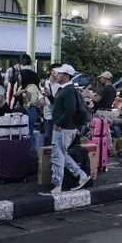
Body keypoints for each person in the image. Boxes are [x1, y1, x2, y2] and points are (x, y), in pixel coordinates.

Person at [39, 64, 90, 196]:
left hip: (63, 128)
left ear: (66, 76)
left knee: (57, 157)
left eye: (59, 73)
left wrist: (59, 123)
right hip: (64, 128)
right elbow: (59, 104)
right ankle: (81, 175)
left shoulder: (68, 90)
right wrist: (50, 96)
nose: (56, 75)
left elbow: (70, 110)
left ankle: (56, 186)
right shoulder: (65, 89)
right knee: (62, 155)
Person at [14, 69, 40, 145]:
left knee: (29, 131)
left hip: (31, 110)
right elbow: (16, 95)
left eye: (20, 75)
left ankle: (30, 149)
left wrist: (25, 92)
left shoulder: (33, 87)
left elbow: (32, 101)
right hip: (23, 111)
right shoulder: (22, 86)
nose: (19, 77)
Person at [39, 63, 61, 146]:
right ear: (51, 71)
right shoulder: (45, 83)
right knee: (48, 137)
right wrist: (41, 98)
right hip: (47, 114)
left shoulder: (60, 84)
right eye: (57, 71)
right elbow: (40, 94)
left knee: (57, 138)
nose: (59, 73)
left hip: (58, 115)